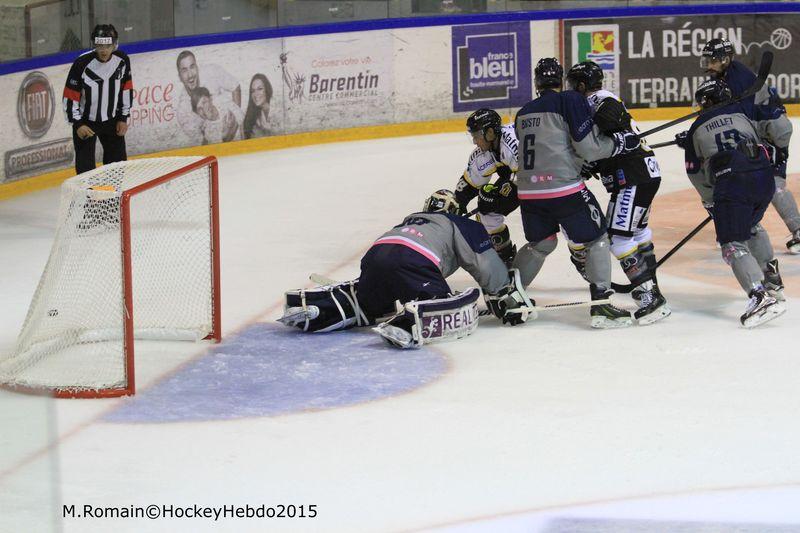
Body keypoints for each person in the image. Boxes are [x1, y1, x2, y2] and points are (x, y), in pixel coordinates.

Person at [278, 190, 533, 348]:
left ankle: (321, 307)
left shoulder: (410, 220)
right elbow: (482, 262)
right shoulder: (458, 223)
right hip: (414, 261)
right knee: (442, 301)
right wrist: (504, 295)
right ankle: (407, 323)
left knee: (369, 298)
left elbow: (395, 257)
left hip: (375, 255)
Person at [512, 57, 640, 329]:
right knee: (596, 238)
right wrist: (619, 143)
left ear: (536, 82)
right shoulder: (568, 100)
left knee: (541, 244)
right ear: (561, 80)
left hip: (528, 193)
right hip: (562, 189)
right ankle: (602, 306)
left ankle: (509, 296)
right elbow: (589, 148)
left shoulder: (522, 111)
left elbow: (551, 146)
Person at [565, 61, 671, 325]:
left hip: (632, 177)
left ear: (580, 85)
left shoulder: (598, 100)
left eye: (572, 85)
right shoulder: (601, 100)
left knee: (617, 238)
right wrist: (592, 164)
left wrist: (618, 137)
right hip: (644, 173)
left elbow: (614, 126)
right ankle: (649, 284)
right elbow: (607, 143)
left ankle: (651, 296)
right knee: (637, 233)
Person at [680, 38, 800, 254]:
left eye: (712, 60)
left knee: (773, 183)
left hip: (769, 135)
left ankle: (798, 230)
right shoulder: (724, 77)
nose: (708, 64)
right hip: (756, 132)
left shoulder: (739, 80)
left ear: (725, 59)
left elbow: (744, 120)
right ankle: (734, 228)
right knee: (732, 180)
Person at [683, 78, 786, 328]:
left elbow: (694, 172)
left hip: (733, 181)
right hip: (764, 177)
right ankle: (772, 281)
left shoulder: (696, 127)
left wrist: (712, 200)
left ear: (706, 102)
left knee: (731, 242)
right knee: (750, 226)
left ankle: (759, 296)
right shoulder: (743, 115)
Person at [453, 108, 520, 266]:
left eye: (476, 135)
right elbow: (469, 183)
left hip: (544, 178)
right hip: (518, 177)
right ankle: (505, 258)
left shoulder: (513, 143)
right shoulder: (484, 152)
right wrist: (457, 204)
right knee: (487, 214)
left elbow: (530, 175)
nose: (475, 141)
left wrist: (502, 193)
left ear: (490, 132)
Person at [62, 24, 132, 175]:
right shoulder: (81, 63)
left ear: (115, 44)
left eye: (107, 45)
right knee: (85, 171)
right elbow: (70, 96)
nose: (103, 50)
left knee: (117, 167)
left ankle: (112, 198)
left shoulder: (122, 61)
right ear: (94, 44)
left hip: (113, 121)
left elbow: (126, 90)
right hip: (86, 123)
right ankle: (88, 198)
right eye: (99, 45)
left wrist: (123, 118)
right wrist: (78, 124)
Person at [175, 50, 241, 145]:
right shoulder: (183, 112)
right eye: (184, 70)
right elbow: (203, 143)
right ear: (179, 77)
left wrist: (233, 128)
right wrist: (225, 138)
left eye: (192, 67)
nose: (190, 75)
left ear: (197, 68)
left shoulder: (211, 71)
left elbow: (235, 86)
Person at [243, 74, 274, 139]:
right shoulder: (251, 117)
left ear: (267, 90)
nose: (256, 94)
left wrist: (269, 129)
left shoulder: (278, 112)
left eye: (260, 89)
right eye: (253, 91)